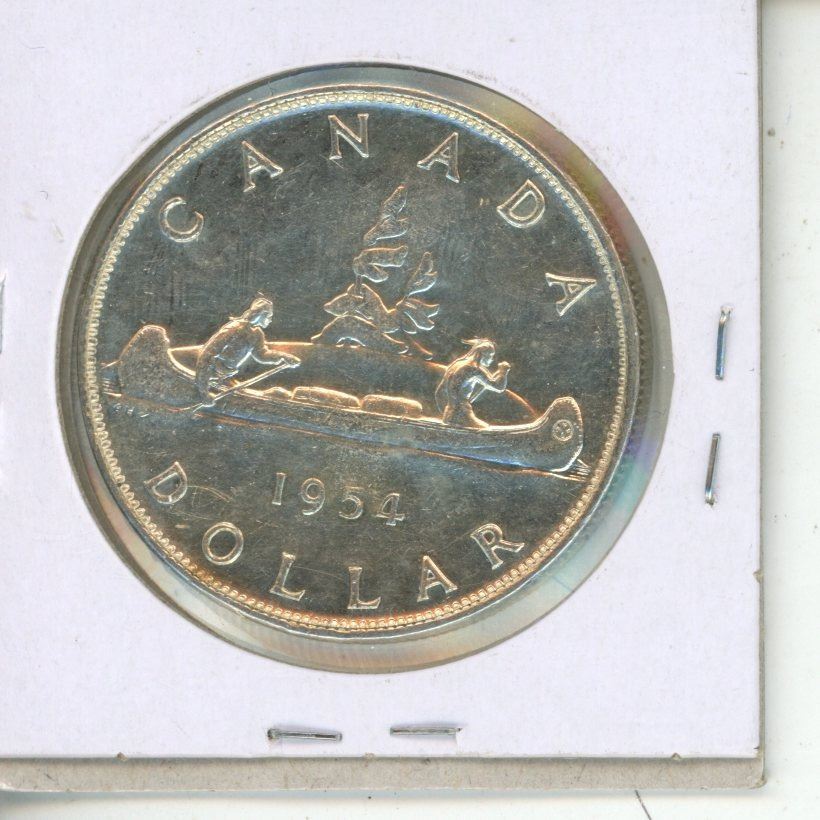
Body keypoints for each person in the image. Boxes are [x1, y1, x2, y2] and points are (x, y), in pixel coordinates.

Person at [194, 296, 300, 404]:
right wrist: (203, 391)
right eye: (269, 316)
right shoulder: (234, 328)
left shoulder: (257, 333)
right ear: (261, 314)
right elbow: (207, 355)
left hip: (226, 377)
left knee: (276, 393)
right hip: (211, 376)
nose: (270, 320)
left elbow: (262, 354)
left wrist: (284, 356)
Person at [434, 339, 511, 428]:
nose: (492, 359)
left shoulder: (456, 364)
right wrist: (503, 371)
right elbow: (499, 387)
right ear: (482, 354)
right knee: (484, 429)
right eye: (491, 356)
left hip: (448, 414)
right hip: (463, 415)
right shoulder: (474, 369)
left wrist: (450, 409)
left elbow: (439, 392)